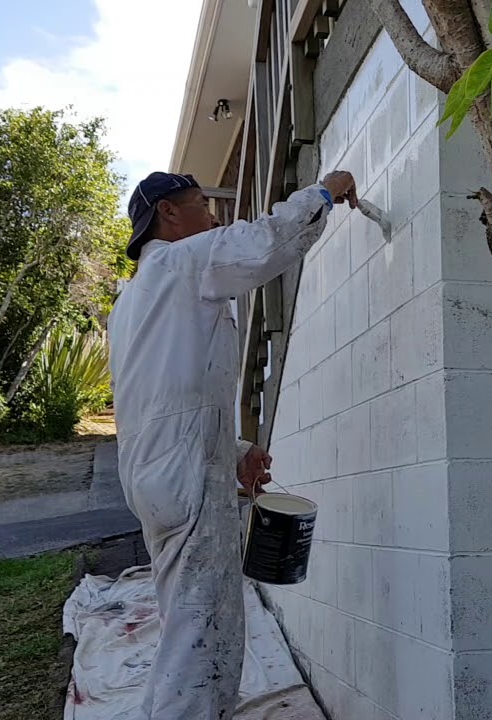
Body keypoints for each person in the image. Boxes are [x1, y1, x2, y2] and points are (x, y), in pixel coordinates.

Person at [107, 169, 357, 719]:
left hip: (159, 472)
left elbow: (169, 396)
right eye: (201, 204)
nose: (213, 216)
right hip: (185, 476)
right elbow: (263, 241)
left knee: (186, 618)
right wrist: (322, 193)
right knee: (205, 624)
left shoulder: (133, 301)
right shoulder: (179, 263)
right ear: (168, 213)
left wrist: (237, 449)